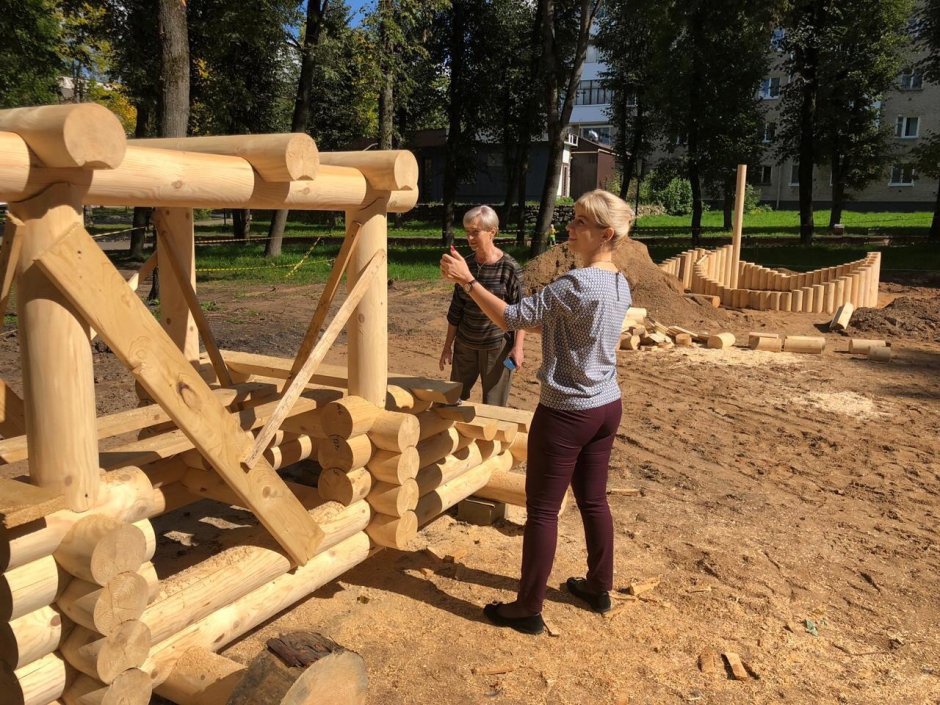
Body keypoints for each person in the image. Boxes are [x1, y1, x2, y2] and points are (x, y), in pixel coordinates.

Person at [439, 189, 634, 635]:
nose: (570, 226)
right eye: (573, 218)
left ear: (605, 234)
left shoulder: (576, 284)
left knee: (543, 511)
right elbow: (550, 320)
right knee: (593, 499)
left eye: (581, 221)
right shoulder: (620, 282)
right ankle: (598, 587)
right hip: (606, 406)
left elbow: (512, 318)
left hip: (567, 411)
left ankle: (528, 608)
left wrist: (469, 282)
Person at [440, 205, 525, 407]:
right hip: (465, 344)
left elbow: (522, 313)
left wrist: (518, 347)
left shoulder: (510, 268)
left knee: (495, 407)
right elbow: (456, 310)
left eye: (475, 232)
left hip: (497, 347)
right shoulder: (464, 265)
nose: (469, 238)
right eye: (468, 232)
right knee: (453, 400)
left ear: (492, 232)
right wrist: (447, 346)